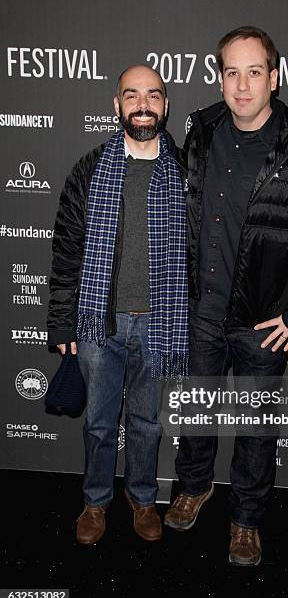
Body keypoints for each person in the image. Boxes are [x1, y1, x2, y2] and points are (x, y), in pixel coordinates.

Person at [164, 27, 288, 566]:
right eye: (232, 72)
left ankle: (246, 517)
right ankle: (194, 487)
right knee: (197, 415)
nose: (242, 85)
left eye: (254, 72)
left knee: (255, 428)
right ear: (220, 78)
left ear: (274, 78)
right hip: (203, 313)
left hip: (261, 325)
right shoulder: (200, 132)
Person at [47, 65, 188, 545]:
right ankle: (95, 502)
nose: (143, 104)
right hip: (98, 324)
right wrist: (63, 323)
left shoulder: (186, 174)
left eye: (153, 95)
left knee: (147, 424)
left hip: (160, 323)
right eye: (132, 95)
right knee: (100, 423)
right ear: (117, 105)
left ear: (165, 106)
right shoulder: (90, 169)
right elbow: (67, 251)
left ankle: (144, 499)